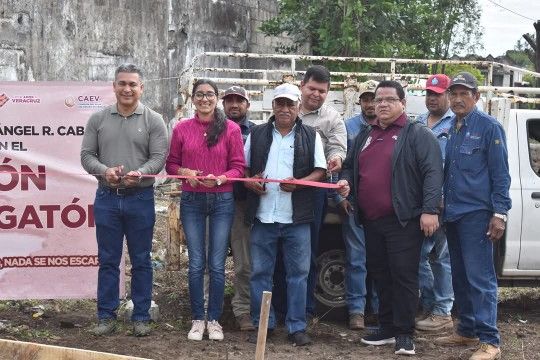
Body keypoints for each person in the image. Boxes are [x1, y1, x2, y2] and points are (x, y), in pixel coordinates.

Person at [340, 80, 443, 356]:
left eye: (389, 99)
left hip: (404, 220)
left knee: (404, 276)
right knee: (381, 275)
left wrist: (430, 210)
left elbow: (433, 173)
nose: (382, 104)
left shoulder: (417, 134)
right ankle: (386, 327)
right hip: (372, 221)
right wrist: (348, 187)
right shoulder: (365, 135)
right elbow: (350, 167)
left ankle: (404, 334)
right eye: (378, 99)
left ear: (402, 104)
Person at [80, 63, 168, 337]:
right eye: (122, 83)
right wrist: (104, 170)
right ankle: (106, 316)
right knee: (108, 260)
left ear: (142, 88)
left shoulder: (153, 119)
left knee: (141, 259)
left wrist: (140, 173)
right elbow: (86, 156)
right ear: (114, 86)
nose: (127, 89)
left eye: (133, 84)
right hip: (107, 198)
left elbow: (158, 157)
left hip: (140, 197)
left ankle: (140, 316)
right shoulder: (98, 119)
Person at [434, 72, 511, 360]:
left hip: (477, 215)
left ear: (476, 97)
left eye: (463, 93)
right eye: (453, 93)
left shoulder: (489, 127)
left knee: (481, 279)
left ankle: (490, 341)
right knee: (461, 277)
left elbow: (500, 174)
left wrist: (500, 213)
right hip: (453, 214)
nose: (457, 99)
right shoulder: (453, 128)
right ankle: (466, 329)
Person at [244, 83, 327, 346]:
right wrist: (250, 181)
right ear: (273, 106)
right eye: (280, 104)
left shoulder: (311, 135)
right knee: (260, 274)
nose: (285, 109)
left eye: (290, 104)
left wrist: (301, 182)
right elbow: (243, 169)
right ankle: (262, 325)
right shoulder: (256, 134)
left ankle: (296, 326)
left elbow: (320, 170)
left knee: (298, 274)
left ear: (298, 107)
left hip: (297, 218)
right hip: (264, 215)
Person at [165, 79, 246, 341]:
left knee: (217, 264)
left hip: (222, 200)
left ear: (216, 98)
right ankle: (197, 319)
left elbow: (238, 167)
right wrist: (185, 172)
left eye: (209, 94)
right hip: (192, 201)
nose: (204, 99)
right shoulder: (181, 129)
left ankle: (214, 320)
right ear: (192, 99)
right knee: (196, 263)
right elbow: (171, 165)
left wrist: (222, 178)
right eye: (199, 94)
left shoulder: (231, 129)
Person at [272, 65, 347, 319]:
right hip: (279, 190)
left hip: (311, 193)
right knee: (277, 251)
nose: (316, 94)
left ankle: (304, 308)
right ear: (302, 86)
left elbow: (337, 146)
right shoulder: (285, 109)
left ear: (328, 93)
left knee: (308, 252)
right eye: (312, 88)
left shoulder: (332, 118)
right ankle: (278, 307)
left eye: (322, 91)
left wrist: (335, 158)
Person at [335, 79, 379, 329]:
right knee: (356, 258)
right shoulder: (348, 127)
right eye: (366, 98)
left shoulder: (391, 128)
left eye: (374, 98)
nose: (371, 103)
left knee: (382, 259)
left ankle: (379, 309)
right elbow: (342, 164)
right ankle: (356, 311)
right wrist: (341, 195)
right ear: (360, 101)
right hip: (354, 204)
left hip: (382, 206)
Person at [415, 74, 455, 332]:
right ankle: (429, 304)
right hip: (418, 203)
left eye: (438, 94)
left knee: (441, 257)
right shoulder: (418, 123)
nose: (432, 98)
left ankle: (442, 311)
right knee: (417, 256)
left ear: (448, 96)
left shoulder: (456, 124)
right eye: (429, 93)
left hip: (443, 203)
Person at [222, 85, 256, 331]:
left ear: (248, 104)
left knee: (244, 263)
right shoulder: (212, 129)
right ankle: (206, 310)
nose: (234, 105)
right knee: (207, 261)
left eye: (239, 100)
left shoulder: (258, 132)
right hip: (212, 203)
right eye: (229, 100)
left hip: (242, 205)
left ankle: (242, 310)